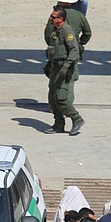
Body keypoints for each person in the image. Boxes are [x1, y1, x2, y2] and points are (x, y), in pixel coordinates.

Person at [44, 8, 84, 136]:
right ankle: (58, 124)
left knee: (62, 98)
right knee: (52, 98)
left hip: (65, 69)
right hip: (55, 68)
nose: (51, 19)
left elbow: (74, 51)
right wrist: (49, 64)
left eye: (53, 17)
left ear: (61, 19)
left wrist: (66, 67)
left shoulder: (67, 32)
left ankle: (77, 119)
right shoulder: (55, 31)